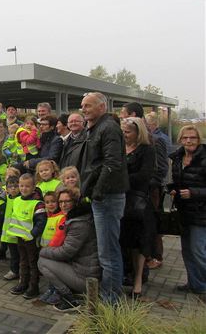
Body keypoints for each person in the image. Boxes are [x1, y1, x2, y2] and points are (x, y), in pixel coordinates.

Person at [80, 92, 129, 304]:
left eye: (88, 106)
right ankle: (108, 294)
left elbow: (112, 163)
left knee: (108, 253)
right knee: (106, 251)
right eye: (82, 105)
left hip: (107, 197)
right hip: (101, 195)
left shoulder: (107, 128)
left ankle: (111, 300)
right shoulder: (96, 128)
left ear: (101, 107)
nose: (83, 109)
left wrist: (97, 191)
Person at [38, 188, 100, 312]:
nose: (63, 205)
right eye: (60, 202)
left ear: (76, 202)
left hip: (85, 278)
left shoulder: (79, 223)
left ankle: (69, 298)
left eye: (67, 201)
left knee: (42, 262)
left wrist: (43, 251)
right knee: (46, 259)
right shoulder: (77, 217)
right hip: (82, 269)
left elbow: (66, 252)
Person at [120, 117, 157, 299]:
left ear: (138, 133)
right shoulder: (119, 149)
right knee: (124, 242)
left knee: (138, 244)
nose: (124, 135)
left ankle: (138, 281)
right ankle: (126, 276)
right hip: (120, 201)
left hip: (137, 204)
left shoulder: (147, 150)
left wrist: (121, 178)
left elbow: (144, 175)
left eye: (127, 132)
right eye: (123, 132)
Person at [169, 125, 206, 301]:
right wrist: (174, 190)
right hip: (184, 211)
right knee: (187, 251)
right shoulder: (178, 158)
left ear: (198, 139)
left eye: (193, 138)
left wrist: (194, 192)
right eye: (185, 138)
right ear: (180, 140)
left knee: (199, 250)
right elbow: (178, 181)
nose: (189, 141)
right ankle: (195, 284)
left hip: (201, 213)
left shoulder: (204, 158)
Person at [7, 173, 46, 299]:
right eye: (21, 186)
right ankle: (23, 283)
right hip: (20, 238)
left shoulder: (38, 204)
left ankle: (33, 287)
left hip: (31, 240)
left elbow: (41, 223)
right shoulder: (17, 200)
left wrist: (32, 235)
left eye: (27, 186)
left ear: (33, 187)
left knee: (32, 263)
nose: (23, 189)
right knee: (23, 262)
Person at [144, 111, 172, 269]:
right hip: (148, 189)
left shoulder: (158, 140)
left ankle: (156, 256)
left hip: (153, 189)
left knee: (153, 221)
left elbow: (162, 167)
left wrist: (152, 184)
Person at [0, 175, 21, 281]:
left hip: (19, 233)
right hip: (9, 232)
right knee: (13, 254)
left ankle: (19, 271)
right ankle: (14, 271)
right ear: (7, 189)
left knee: (20, 254)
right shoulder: (7, 198)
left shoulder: (21, 199)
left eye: (16, 186)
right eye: (10, 186)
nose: (13, 188)